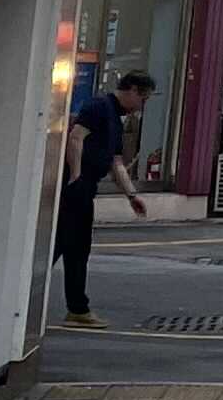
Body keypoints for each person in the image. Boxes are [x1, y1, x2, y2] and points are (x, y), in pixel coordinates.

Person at [56, 68, 154, 324]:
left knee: (73, 246)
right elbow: (76, 138)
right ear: (132, 90)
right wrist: (75, 175)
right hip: (76, 186)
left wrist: (132, 196)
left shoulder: (116, 120)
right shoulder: (99, 107)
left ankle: (77, 308)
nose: (141, 106)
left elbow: (116, 162)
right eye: (143, 98)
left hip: (86, 187)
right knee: (67, 244)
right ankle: (75, 307)